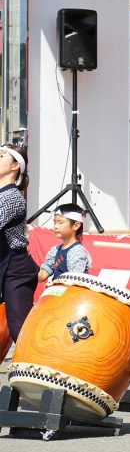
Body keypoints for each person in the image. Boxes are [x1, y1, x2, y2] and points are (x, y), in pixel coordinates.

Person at [0, 144, 36, 341]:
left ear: (15, 167)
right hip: (4, 265)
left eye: (1, 156)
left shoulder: (11, 197)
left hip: (16, 271)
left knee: (20, 329)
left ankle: (37, 368)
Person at [37, 204, 92, 283]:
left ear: (76, 225)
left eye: (60, 222)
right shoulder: (56, 250)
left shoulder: (77, 252)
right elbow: (41, 277)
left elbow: (75, 282)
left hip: (69, 293)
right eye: (55, 222)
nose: (55, 226)